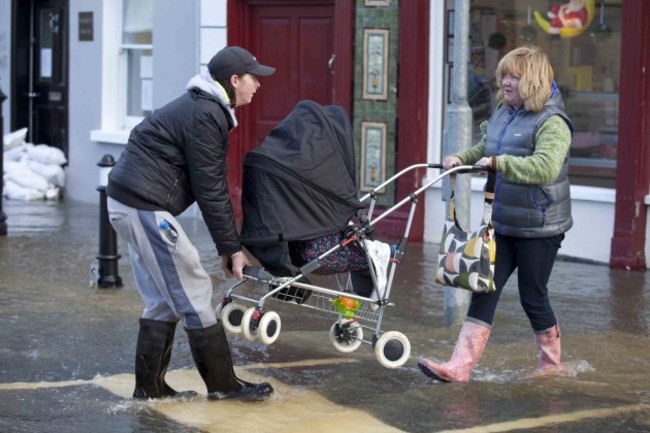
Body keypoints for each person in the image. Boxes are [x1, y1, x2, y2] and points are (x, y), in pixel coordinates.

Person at [106, 46, 276, 400]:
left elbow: (207, 187)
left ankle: (150, 389)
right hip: (143, 206)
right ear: (234, 80)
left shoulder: (202, 107)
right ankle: (224, 387)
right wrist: (231, 248)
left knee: (164, 299)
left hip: (131, 202)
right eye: (253, 77)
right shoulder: (205, 115)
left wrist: (229, 245)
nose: (257, 85)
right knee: (195, 288)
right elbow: (211, 189)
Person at [418, 45, 573, 382]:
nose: (505, 81)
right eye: (503, 74)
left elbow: (545, 166)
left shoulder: (553, 122)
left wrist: (500, 164)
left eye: (513, 76)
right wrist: (462, 157)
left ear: (531, 81)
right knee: (483, 289)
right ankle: (459, 367)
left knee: (533, 296)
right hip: (503, 222)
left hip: (541, 226)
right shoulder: (504, 111)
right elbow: (486, 149)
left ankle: (550, 367)